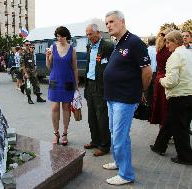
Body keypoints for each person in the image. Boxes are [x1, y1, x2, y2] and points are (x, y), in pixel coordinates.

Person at [102, 10, 152, 185]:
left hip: (125, 98)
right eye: (106, 22)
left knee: (120, 137)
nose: (108, 25)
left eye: (111, 21)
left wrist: (140, 91)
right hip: (113, 97)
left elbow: (147, 72)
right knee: (115, 133)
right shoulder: (118, 43)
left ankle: (126, 174)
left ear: (122, 21)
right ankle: (118, 162)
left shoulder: (134, 42)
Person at [150, 30, 192, 165]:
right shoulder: (188, 53)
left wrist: (161, 80)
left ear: (175, 42)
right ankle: (159, 146)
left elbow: (171, 81)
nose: (167, 45)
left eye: (168, 42)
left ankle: (185, 157)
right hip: (188, 94)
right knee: (170, 121)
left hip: (179, 96)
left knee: (180, 128)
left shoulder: (175, 56)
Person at [83, 24, 114, 156]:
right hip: (89, 84)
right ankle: (95, 141)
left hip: (100, 85)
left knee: (101, 116)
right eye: (87, 34)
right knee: (92, 116)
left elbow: (113, 65)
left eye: (90, 34)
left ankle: (105, 146)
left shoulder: (108, 46)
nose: (88, 37)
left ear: (98, 33)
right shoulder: (89, 46)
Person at [46, 26, 78, 146]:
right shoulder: (52, 48)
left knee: (66, 108)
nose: (59, 38)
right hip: (55, 81)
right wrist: (47, 56)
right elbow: (49, 67)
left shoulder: (72, 50)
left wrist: (76, 84)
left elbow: (74, 68)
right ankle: (56, 133)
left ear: (67, 36)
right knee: (54, 108)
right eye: (58, 36)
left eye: (62, 36)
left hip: (68, 81)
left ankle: (64, 133)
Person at [150, 28, 173, 128]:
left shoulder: (159, 48)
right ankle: (166, 136)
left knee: (161, 107)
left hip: (159, 79)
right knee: (166, 108)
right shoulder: (169, 50)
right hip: (166, 79)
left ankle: (162, 134)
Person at [146, 36, 157, 107]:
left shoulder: (146, 50)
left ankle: (148, 105)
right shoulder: (157, 50)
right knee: (154, 91)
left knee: (147, 91)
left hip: (147, 72)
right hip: (156, 72)